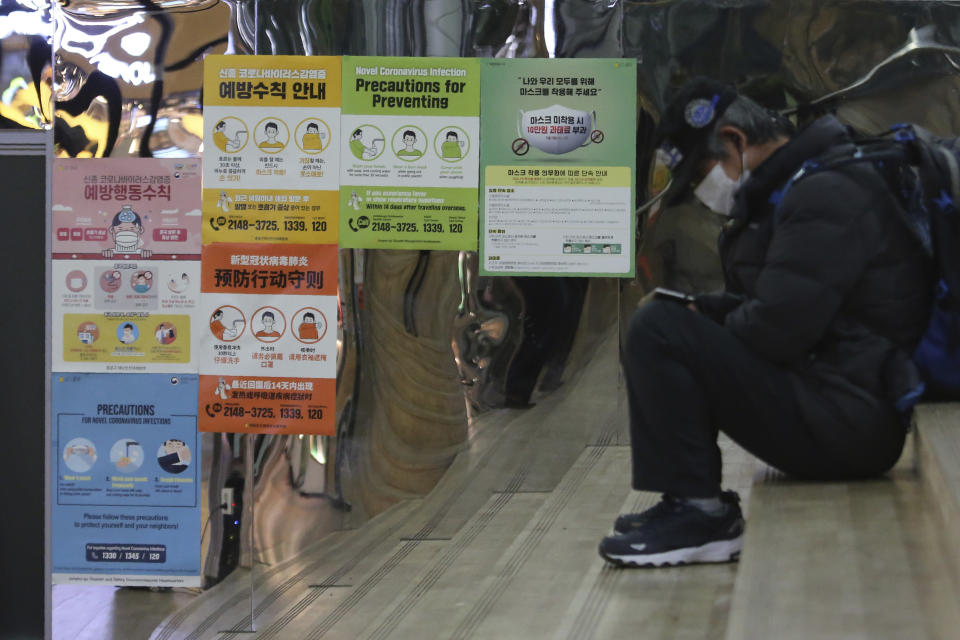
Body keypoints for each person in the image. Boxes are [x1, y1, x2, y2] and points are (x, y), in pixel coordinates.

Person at [599, 78, 933, 568]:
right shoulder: (800, 186)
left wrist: (705, 331)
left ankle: (699, 514)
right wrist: (710, 313)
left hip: (849, 420)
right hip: (838, 399)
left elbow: (777, 330)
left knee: (658, 327)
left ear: (736, 141)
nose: (701, 193)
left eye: (700, 177)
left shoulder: (826, 193)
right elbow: (784, 304)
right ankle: (689, 502)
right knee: (674, 316)